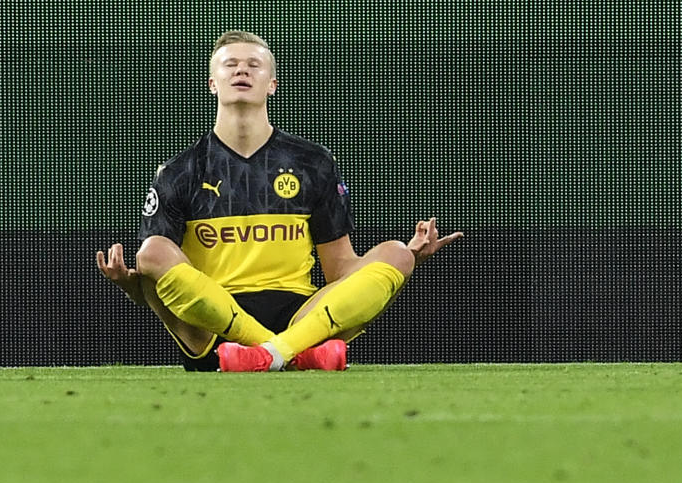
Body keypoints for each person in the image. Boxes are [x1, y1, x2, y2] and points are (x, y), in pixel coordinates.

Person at [97, 30, 463, 372]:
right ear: (213, 83)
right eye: (230, 64)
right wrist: (133, 284)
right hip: (215, 332)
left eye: (254, 64)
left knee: (396, 252)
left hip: (301, 316)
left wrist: (404, 261)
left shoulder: (312, 162)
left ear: (272, 84)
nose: (242, 69)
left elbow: (340, 270)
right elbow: (163, 285)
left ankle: (270, 353)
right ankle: (286, 353)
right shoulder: (179, 171)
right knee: (150, 253)